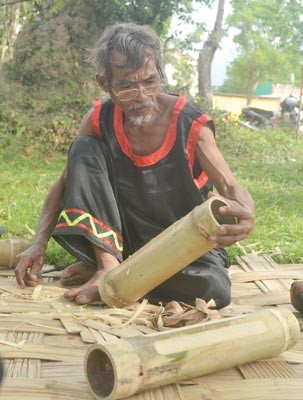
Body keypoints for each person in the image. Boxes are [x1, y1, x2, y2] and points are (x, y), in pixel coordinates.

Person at [15, 23, 254, 308]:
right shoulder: (98, 120)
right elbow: (65, 183)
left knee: (214, 289)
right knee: (82, 149)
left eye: (150, 82)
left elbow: (229, 185)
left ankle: (122, 278)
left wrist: (247, 213)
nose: (141, 96)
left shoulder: (190, 123)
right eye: (127, 86)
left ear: (160, 74)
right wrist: (37, 244)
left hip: (180, 248)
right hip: (121, 242)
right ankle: (107, 267)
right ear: (106, 84)